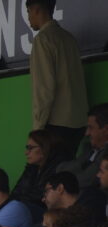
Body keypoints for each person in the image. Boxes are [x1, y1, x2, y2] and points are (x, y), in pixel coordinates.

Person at [26, 0, 88, 152]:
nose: (28, 17)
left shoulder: (42, 40)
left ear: (36, 10)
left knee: (53, 166)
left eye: (28, 12)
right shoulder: (68, 38)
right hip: (78, 122)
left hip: (56, 124)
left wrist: (38, 129)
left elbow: (44, 89)